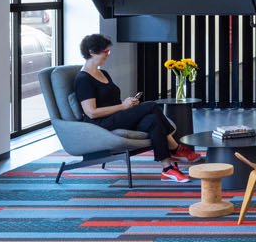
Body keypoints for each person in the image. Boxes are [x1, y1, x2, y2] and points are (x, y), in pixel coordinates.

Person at [73, 34, 198, 182]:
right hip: (102, 123)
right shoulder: (83, 79)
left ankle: (167, 168)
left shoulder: (103, 73)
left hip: (118, 116)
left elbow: (113, 101)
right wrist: (123, 106)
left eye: (108, 51)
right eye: (105, 52)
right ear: (92, 52)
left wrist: (129, 105)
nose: (108, 55)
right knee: (151, 105)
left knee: (153, 120)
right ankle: (175, 147)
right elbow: (91, 113)